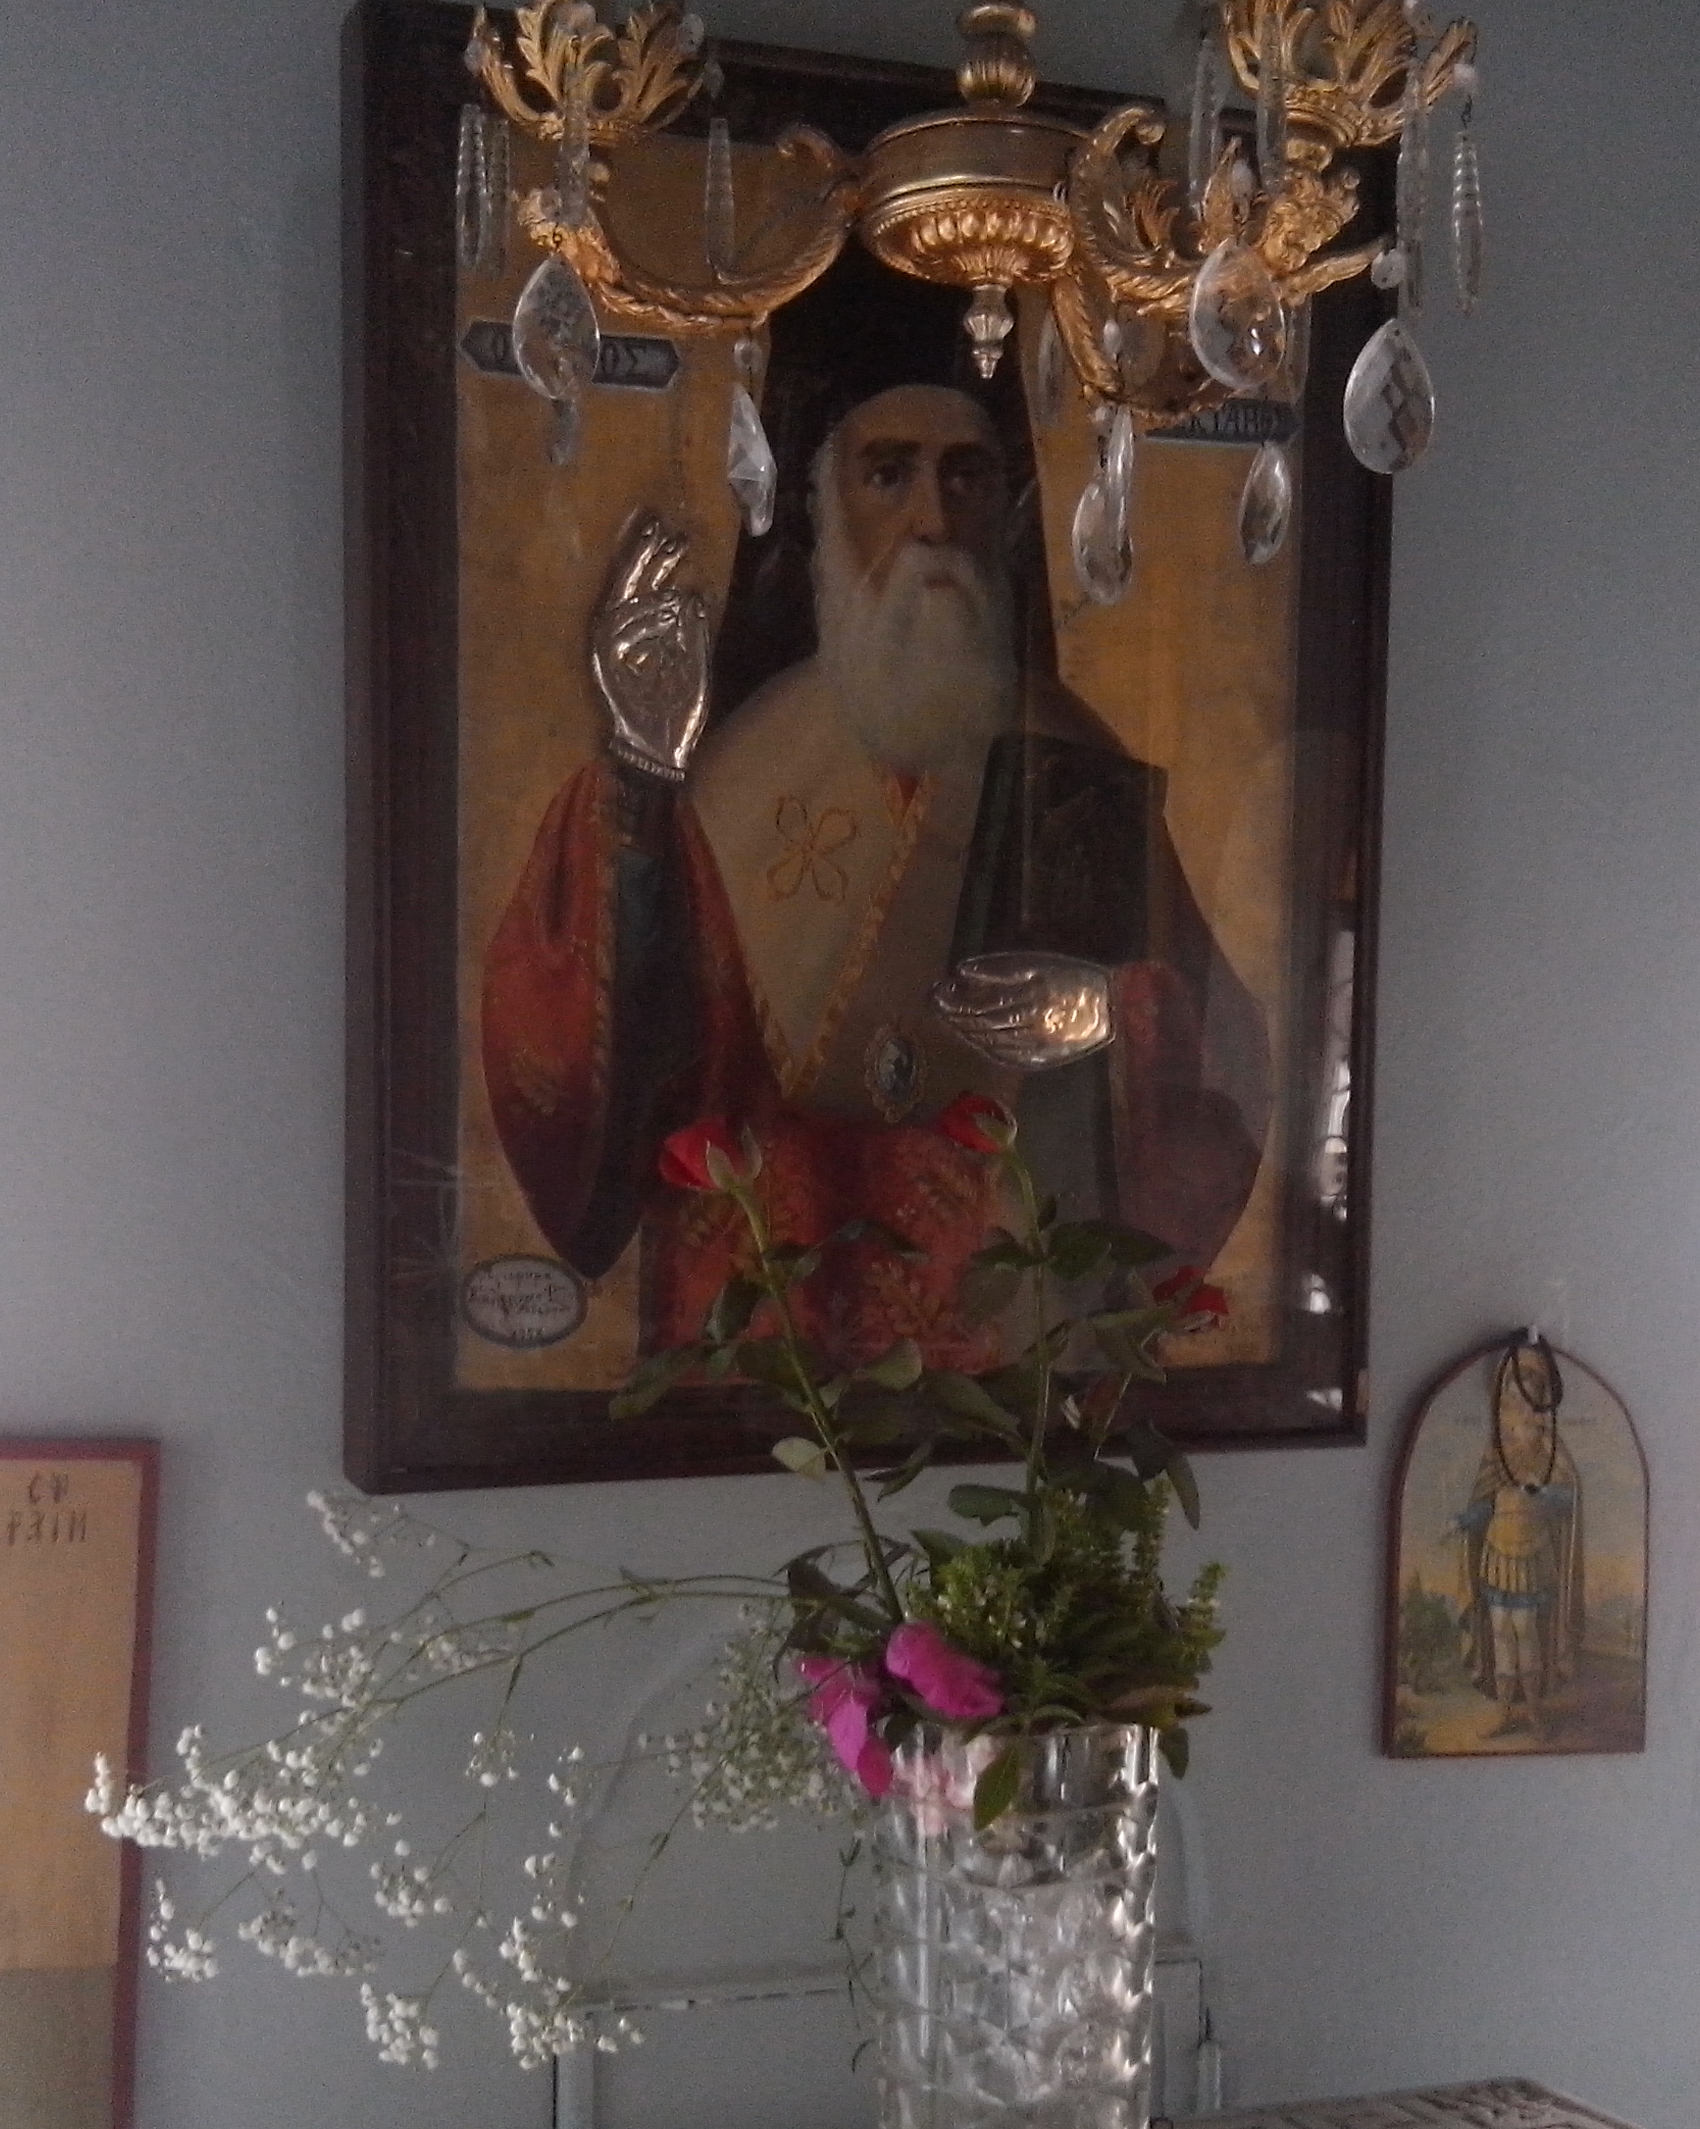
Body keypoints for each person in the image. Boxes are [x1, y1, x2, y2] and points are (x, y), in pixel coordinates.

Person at [480, 252, 1269, 1366]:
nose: (933, 519)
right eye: (888, 475)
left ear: (1004, 509)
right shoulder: (735, 758)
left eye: (967, 476)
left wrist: (1114, 1013)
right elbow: (593, 1062)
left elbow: (1221, 1058)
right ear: (821, 505)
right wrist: (638, 773)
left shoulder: (1072, 757)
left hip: (1008, 1351)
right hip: (760, 1325)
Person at [1453, 1342, 1586, 1736]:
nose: (1520, 1401)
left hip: (1533, 1553)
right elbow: (1486, 1500)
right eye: (1513, 1391)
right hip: (1497, 1553)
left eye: (1528, 1390)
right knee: (1499, 1632)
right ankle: (1504, 1712)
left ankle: (1533, 1711)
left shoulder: (1550, 1447)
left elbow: (1568, 1498)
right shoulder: (1496, 1449)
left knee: (1526, 1632)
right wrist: (1465, 1519)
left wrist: (1541, 1491)